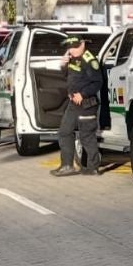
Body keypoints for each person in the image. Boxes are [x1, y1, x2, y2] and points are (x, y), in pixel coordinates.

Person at [50, 36, 103, 177]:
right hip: (73, 103)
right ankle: (67, 165)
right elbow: (69, 77)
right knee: (64, 132)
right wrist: (63, 65)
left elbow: (98, 82)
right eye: (69, 48)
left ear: (83, 44)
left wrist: (83, 94)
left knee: (87, 136)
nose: (71, 51)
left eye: (74, 48)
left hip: (86, 103)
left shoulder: (89, 60)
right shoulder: (73, 57)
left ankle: (93, 167)